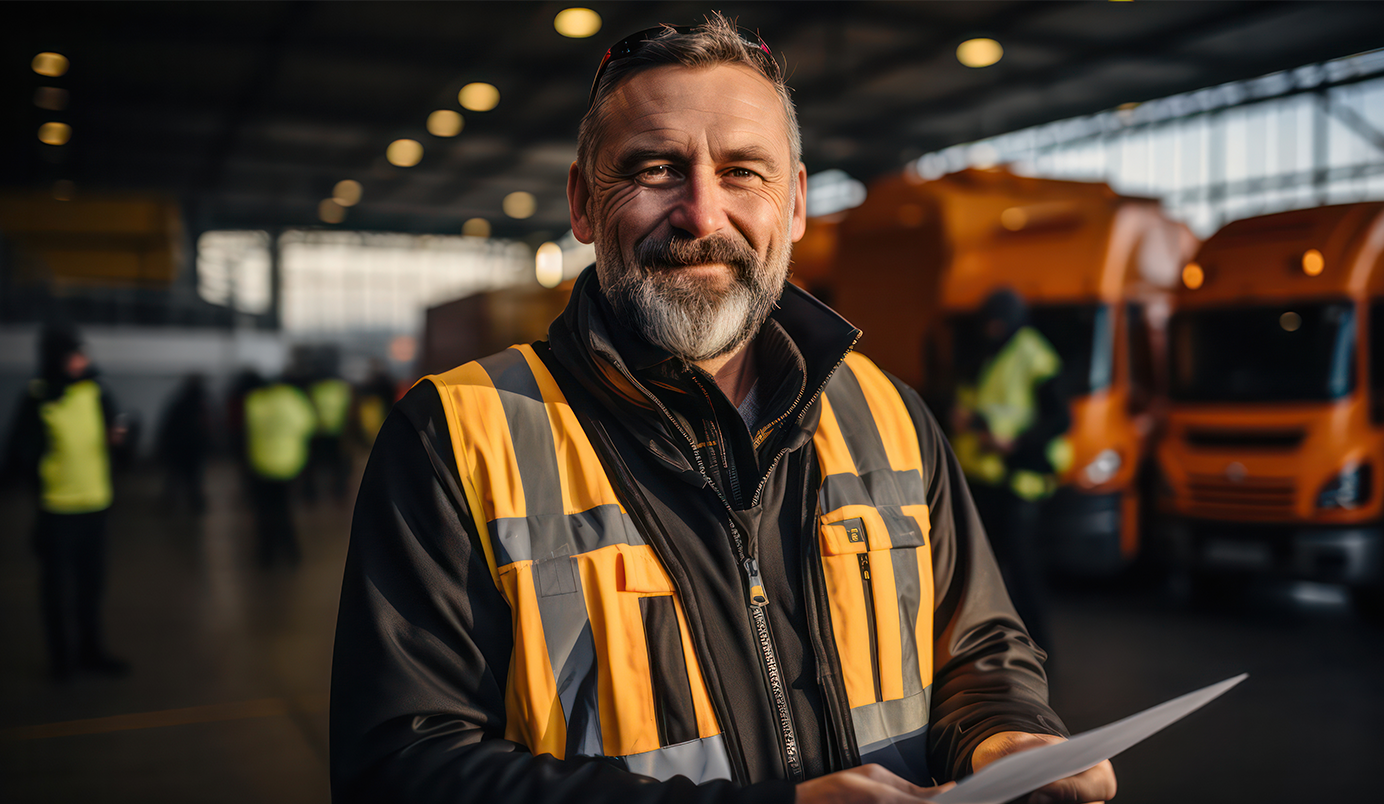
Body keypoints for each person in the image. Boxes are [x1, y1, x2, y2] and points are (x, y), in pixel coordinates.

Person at [331, 16, 1115, 804]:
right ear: (581, 202)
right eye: (656, 168)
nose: (703, 216)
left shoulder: (889, 413)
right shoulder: (455, 437)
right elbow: (403, 770)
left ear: (796, 203)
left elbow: (977, 646)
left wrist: (1005, 732)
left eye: (743, 172)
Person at [949, 289, 1072, 651]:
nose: (994, 327)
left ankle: (1036, 645)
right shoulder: (986, 352)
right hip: (981, 477)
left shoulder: (1033, 354)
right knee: (982, 570)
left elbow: (1059, 418)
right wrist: (964, 418)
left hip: (1018, 480)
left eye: (999, 321)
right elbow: (972, 399)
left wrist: (1015, 444)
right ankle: (993, 644)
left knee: (1021, 569)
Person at [5, 324, 129, 680]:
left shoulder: (97, 390)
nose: (82, 360)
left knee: (91, 587)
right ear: (56, 359)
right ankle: (62, 662)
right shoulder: (39, 396)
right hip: (58, 511)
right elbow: (19, 452)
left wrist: (120, 440)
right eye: (74, 354)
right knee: (57, 591)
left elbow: (115, 434)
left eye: (82, 353)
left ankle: (92, 652)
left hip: (96, 505)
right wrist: (37, 466)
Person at [243, 371, 316, 566]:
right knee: (284, 510)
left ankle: (267, 555)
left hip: (261, 464)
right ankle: (291, 553)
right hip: (289, 465)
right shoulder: (295, 401)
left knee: (264, 511)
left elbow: (247, 425)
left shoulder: (255, 401)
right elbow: (309, 426)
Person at [158, 373, 211, 512]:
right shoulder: (203, 404)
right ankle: (195, 505)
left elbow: (167, 426)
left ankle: (170, 505)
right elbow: (209, 427)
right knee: (193, 479)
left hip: (178, 447)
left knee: (175, 478)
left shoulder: (179, 402)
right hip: (194, 448)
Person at [306, 372, 352, 500]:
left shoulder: (314, 390)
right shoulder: (342, 389)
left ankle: (311, 495)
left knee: (313, 465)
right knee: (340, 465)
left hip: (318, 432)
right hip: (339, 433)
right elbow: (349, 410)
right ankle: (339, 492)